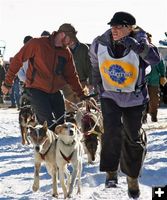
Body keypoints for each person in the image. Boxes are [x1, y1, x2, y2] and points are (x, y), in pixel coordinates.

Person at [89, 11, 160, 198]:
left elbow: (155, 59)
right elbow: (95, 65)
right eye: (112, 26)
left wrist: (137, 47)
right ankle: (111, 172)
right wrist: (98, 87)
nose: (114, 29)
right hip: (110, 95)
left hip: (134, 98)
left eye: (119, 26)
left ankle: (132, 177)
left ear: (130, 28)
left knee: (132, 137)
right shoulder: (100, 42)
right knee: (111, 131)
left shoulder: (142, 41)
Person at [1, 25, 87, 131]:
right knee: (48, 123)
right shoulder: (37, 44)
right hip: (36, 89)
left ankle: (58, 146)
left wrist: (82, 95)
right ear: (63, 35)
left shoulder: (66, 52)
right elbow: (17, 60)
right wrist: (7, 83)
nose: (71, 43)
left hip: (55, 91)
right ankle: (47, 145)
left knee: (61, 123)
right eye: (70, 39)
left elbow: (72, 75)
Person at [59, 24, 92, 108]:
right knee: (71, 112)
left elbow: (90, 67)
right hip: (67, 86)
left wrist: (91, 83)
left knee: (84, 111)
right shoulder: (60, 51)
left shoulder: (84, 48)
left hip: (83, 84)